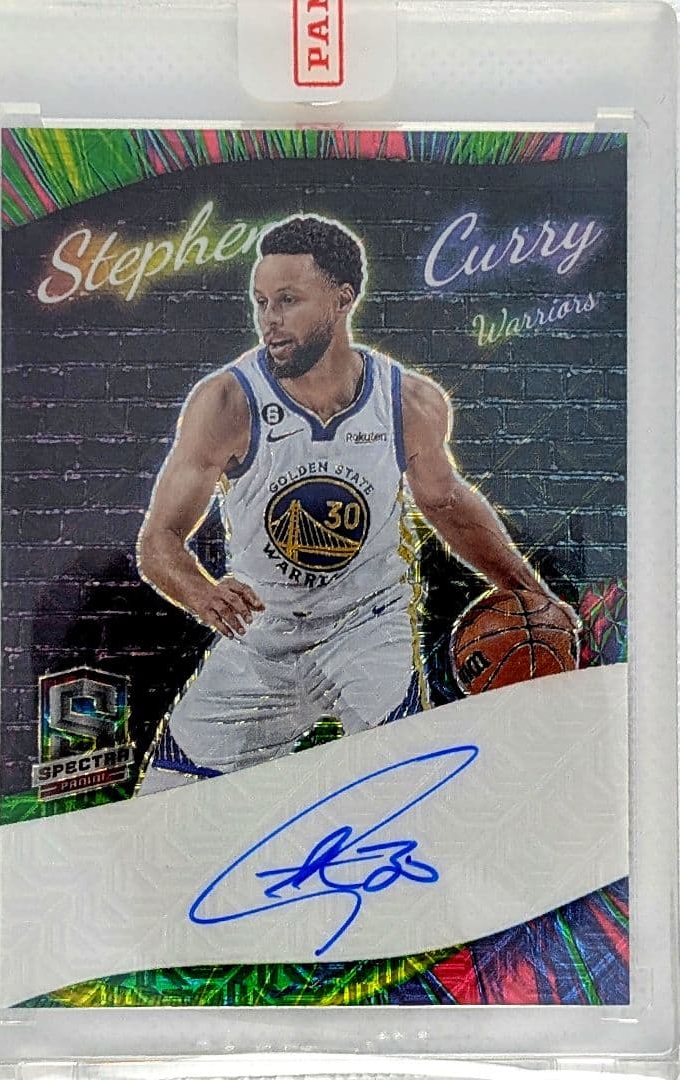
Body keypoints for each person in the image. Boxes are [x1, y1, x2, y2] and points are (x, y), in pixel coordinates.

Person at [136, 214, 558, 795]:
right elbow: (158, 541)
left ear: (342, 299)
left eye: (288, 300)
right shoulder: (226, 401)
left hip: (367, 628)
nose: (269, 319)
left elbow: (446, 502)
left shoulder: (406, 400)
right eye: (261, 302)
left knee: (403, 792)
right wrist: (202, 593)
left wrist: (530, 592)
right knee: (161, 805)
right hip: (263, 638)